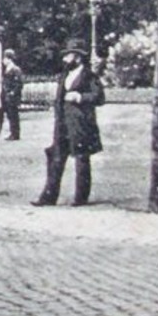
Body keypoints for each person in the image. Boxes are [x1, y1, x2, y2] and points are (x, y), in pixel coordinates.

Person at [33, 39, 105, 207]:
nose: (65, 59)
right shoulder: (65, 74)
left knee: (81, 160)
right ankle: (48, 198)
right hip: (62, 124)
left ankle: (81, 198)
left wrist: (80, 97)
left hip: (81, 125)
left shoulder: (89, 75)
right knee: (56, 159)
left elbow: (100, 97)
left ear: (78, 57)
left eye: (68, 55)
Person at [0, 49, 25, 141]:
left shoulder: (15, 69)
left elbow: (19, 84)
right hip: (7, 96)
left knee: (14, 116)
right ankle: (13, 133)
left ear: (9, 59)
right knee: (10, 115)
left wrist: (12, 93)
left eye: (5, 58)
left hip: (12, 97)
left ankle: (15, 134)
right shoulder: (8, 69)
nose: (3, 61)